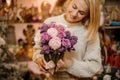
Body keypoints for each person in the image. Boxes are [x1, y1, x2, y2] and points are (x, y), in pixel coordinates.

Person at [33, 0, 102, 80]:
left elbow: (94, 66)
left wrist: (67, 64)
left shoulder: (90, 31)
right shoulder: (49, 22)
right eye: (74, 7)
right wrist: (38, 58)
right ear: (69, 1)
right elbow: (38, 48)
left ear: (88, 15)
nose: (74, 14)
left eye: (81, 13)